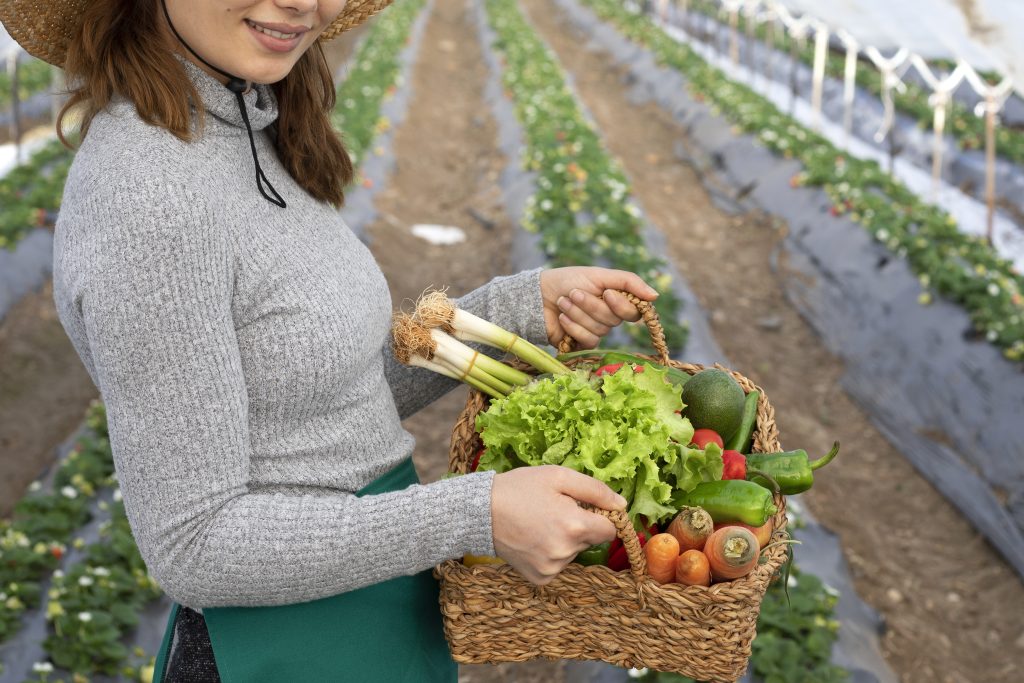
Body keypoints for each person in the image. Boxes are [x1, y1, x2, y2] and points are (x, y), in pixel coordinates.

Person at [0, 0, 662, 680]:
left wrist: (511, 314)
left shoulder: (242, 122)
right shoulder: (149, 194)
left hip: (369, 613)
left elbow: (324, 404)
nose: (306, 3)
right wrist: (476, 512)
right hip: (284, 647)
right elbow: (194, 545)